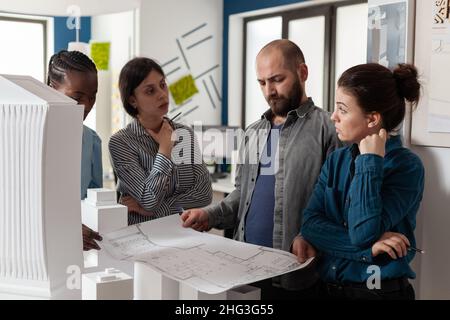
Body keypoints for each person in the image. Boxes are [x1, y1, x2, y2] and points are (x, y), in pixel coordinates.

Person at [181, 39, 340, 299]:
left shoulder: (328, 130)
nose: (270, 91)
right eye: (262, 83)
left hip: (297, 277)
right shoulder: (253, 132)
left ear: (302, 73)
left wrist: (311, 236)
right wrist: (209, 215)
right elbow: (241, 196)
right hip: (246, 271)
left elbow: (338, 205)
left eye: (277, 79)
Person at [292, 63, 424, 300]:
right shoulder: (336, 160)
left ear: (372, 119)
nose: (333, 116)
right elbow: (310, 224)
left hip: (377, 292)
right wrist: (368, 249)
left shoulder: (407, 167)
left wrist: (370, 160)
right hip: (327, 289)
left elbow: (363, 232)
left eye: (342, 109)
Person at [109, 57, 212, 224]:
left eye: (163, 85)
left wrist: (159, 208)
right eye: (150, 91)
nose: (162, 94)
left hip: (184, 233)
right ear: (132, 100)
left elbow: (204, 193)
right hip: (141, 236)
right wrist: (165, 149)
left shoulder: (184, 133)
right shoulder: (121, 142)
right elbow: (149, 199)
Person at [47, 50, 102, 250]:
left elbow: (94, 202)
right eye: (77, 97)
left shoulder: (92, 141)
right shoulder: (28, 137)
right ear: (52, 89)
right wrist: (63, 227)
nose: (86, 106)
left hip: (78, 251)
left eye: (92, 97)